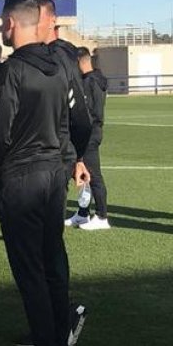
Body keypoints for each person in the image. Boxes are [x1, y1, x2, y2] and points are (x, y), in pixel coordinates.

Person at [0, 0, 93, 346]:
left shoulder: (14, 69)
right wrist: (72, 158)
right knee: (53, 263)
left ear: (13, 25)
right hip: (55, 175)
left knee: (31, 272)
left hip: (23, 178)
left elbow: (1, 132)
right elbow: (82, 121)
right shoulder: (63, 65)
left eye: (3, 23)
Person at [67, 47, 110, 230]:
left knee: (94, 175)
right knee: (82, 173)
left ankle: (101, 216)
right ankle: (83, 213)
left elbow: (91, 113)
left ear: (80, 62)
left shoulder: (91, 83)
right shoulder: (89, 80)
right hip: (86, 133)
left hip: (90, 134)